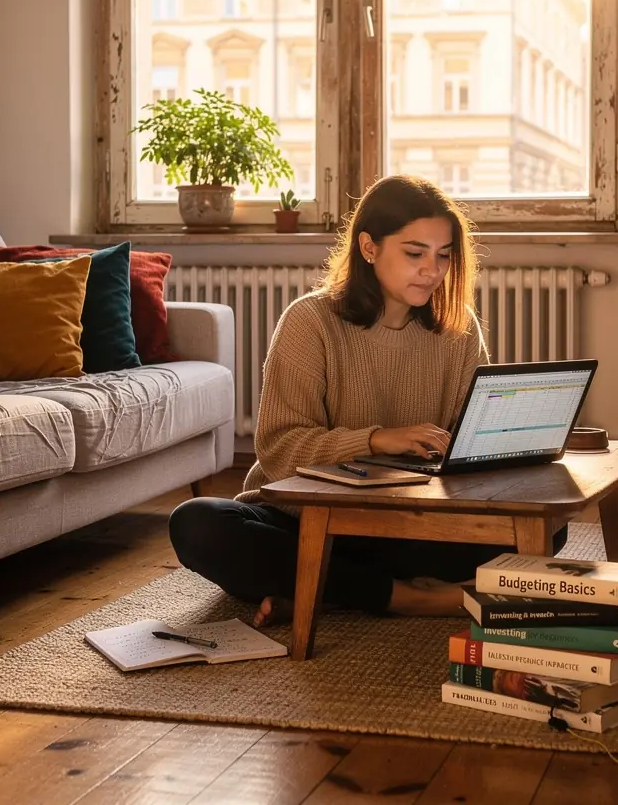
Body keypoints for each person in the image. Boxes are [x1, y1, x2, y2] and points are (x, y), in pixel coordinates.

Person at [169, 175, 569, 626]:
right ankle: (410, 597)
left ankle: (319, 590)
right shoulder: (309, 321)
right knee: (198, 525)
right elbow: (279, 452)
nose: (432, 271)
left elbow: (464, 443)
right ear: (369, 247)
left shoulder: (459, 329)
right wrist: (377, 440)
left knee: (548, 529)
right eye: (415, 253)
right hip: (306, 519)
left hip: (413, 520)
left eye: (443, 256)